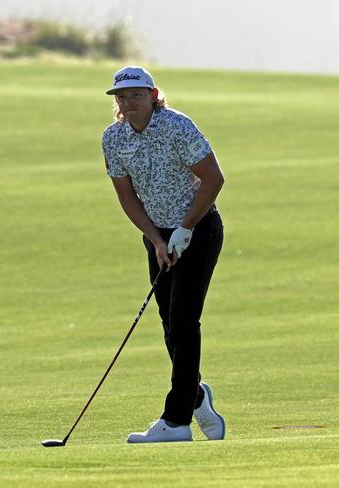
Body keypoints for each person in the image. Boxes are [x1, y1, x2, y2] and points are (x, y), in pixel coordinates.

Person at [102, 66, 226, 443]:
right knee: (170, 325)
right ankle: (196, 395)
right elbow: (127, 196)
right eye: (122, 97)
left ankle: (176, 421)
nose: (128, 102)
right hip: (158, 235)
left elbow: (214, 178)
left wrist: (185, 228)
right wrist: (156, 240)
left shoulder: (176, 126)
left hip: (199, 229)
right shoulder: (113, 138)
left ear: (153, 95)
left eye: (136, 95)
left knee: (184, 318)